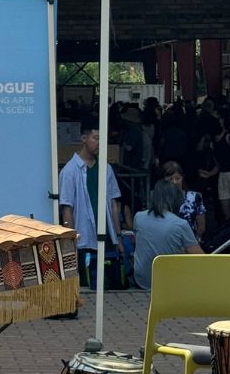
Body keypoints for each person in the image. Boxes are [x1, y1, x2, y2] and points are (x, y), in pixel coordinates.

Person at [59, 114, 124, 289]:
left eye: (102, 139)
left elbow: (113, 204)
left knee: (108, 283)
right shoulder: (70, 171)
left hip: (107, 237)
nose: (99, 143)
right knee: (87, 284)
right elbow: (67, 208)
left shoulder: (106, 168)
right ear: (84, 138)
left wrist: (118, 236)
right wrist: (69, 241)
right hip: (83, 239)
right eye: (96, 138)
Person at [133, 179, 203, 290]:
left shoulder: (138, 217)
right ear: (175, 199)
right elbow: (200, 258)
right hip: (168, 282)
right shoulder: (180, 224)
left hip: (142, 279)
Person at [159, 160, 206, 241]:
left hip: (190, 244)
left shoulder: (194, 197)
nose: (174, 182)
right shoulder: (160, 199)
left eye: (177, 178)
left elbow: (201, 227)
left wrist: (191, 242)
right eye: (170, 179)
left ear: (182, 178)